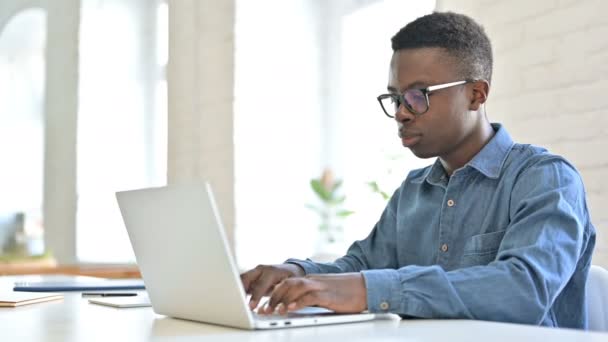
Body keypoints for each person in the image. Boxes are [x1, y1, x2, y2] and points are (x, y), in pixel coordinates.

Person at [240, 11, 596, 329]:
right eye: (395, 97)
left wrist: (370, 290)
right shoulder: (413, 190)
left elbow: (523, 290)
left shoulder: (545, 179)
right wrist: (297, 274)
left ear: (476, 94)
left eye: (418, 95)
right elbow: (362, 264)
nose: (401, 112)